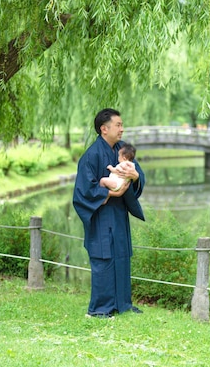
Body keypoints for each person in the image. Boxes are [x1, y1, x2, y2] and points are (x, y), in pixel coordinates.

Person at [72, 108, 145, 319]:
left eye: (122, 125)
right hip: (101, 215)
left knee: (121, 256)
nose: (122, 129)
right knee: (103, 259)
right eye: (118, 125)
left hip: (119, 214)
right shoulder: (91, 155)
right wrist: (109, 192)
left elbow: (138, 175)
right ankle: (99, 309)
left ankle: (122, 304)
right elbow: (82, 191)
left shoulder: (123, 150)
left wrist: (136, 175)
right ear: (104, 129)